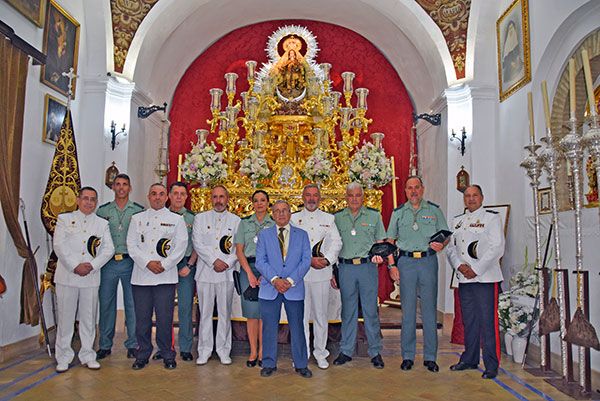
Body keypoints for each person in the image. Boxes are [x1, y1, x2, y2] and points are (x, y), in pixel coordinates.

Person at [385, 176, 449, 372]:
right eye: (409, 188)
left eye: (417, 188)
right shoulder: (398, 213)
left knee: (429, 311)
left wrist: (441, 244)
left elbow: (445, 235)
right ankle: (408, 356)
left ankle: (430, 357)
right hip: (406, 263)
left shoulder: (434, 210)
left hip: (428, 262)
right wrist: (392, 266)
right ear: (405, 191)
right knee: (408, 313)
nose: (413, 191)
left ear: (422, 189)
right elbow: (389, 241)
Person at [53, 187, 114, 372]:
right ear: (78, 200)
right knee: (65, 319)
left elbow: (108, 249)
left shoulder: (101, 224)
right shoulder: (64, 219)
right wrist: (75, 266)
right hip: (67, 276)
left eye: (93, 199)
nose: (89, 202)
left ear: (96, 202)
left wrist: (92, 266)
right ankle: (63, 356)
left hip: (90, 277)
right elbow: (59, 245)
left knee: (88, 319)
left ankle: (88, 354)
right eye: (85, 198)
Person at [127, 183, 187, 370]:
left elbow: (180, 246)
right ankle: (143, 353)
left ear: (166, 197)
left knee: (164, 318)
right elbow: (132, 245)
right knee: (142, 319)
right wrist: (148, 263)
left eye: (161, 194)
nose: (158, 197)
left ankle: (168, 354)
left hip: (165, 276)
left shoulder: (176, 220)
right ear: (148, 196)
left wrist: (164, 264)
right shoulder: (137, 219)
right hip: (142, 276)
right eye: (154, 194)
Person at [446, 185, 505, 379]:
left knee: (487, 323)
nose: (471, 199)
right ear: (464, 199)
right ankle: (469, 359)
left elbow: (497, 247)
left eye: (475, 195)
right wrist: (459, 266)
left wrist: (476, 269)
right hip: (464, 278)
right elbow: (451, 248)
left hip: (485, 278)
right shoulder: (457, 221)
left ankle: (491, 364)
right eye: (467, 196)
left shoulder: (491, 218)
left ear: (482, 197)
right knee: (469, 321)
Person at [255, 200, 312, 378]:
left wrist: (289, 280)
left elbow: (306, 260)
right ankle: (269, 363)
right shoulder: (264, 235)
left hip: (293, 288)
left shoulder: (302, 235)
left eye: (285, 211)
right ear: (272, 213)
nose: (281, 214)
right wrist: (274, 280)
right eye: (277, 211)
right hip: (269, 288)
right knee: (269, 328)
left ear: (290, 213)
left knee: (297, 327)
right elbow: (260, 261)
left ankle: (301, 364)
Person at [332, 183, 386, 369]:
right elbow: (332, 246)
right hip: (346, 268)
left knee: (371, 310)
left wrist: (381, 255)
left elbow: (380, 242)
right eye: (350, 195)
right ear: (345, 197)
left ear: (363, 197)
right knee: (348, 312)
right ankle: (346, 350)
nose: (354, 199)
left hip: (367, 268)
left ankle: (375, 351)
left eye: (357, 195)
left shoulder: (374, 216)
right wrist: (333, 271)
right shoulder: (337, 218)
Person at [291, 184, 342, 369]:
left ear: (319, 198)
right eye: (308, 195)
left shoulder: (329, 218)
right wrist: (307, 260)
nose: (311, 199)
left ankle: (320, 352)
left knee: (321, 315)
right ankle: (302, 353)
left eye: (315, 195)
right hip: (300, 275)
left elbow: (336, 242)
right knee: (301, 317)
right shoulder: (294, 219)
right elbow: (289, 244)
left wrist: (327, 260)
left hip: (321, 273)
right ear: (302, 197)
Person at [96, 173, 144, 360]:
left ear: (130, 188)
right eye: (118, 184)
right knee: (106, 303)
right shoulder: (103, 211)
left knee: (133, 304)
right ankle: (105, 344)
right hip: (108, 263)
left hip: (130, 262)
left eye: (125, 184)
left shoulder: (138, 211)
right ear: (113, 187)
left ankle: (133, 344)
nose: (121, 187)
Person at [193, 185, 240, 365]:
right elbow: (198, 243)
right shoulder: (200, 218)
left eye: (222, 197)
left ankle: (223, 349)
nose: (218, 200)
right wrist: (214, 261)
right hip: (205, 272)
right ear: (211, 199)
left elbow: (238, 247)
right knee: (204, 313)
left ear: (227, 199)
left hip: (226, 274)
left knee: (224, 312)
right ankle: (204, 350)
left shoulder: (236, 221)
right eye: (215, 197)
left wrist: (226, 263)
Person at [153, 182, 198, 361]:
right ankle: (164, 346)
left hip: (185, 266)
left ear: (187, 198)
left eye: (182, 194)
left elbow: (197, 244)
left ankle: (185, 347)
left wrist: (191, 265)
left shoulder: (193, 218)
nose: (179, 197)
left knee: (186, 307)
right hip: (164, 265)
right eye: (175, 193)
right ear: (169, 196)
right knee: (164, 308)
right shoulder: (159, 216)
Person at [234, 190, 274, 367]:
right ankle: (252, 351)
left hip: (268, 271)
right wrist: (249, 273)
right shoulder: (244, 224)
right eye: (256, 201)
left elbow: (276, 252)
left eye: (263, 200)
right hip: (247, 269)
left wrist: (266, 274)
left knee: (265, 314)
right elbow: (239, 251)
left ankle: (263, 352)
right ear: (252, 203)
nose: (259, 204)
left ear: (268, 203)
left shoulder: (273, 224)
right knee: (251, 314)